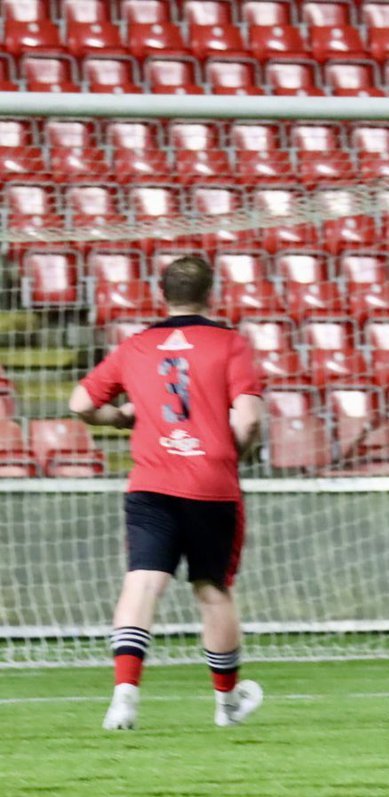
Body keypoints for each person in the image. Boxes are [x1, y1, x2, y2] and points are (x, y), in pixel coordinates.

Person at [69, 255, 265, 730]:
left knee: (142, 582)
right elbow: (250, 418)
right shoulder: (229, 344)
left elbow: (80, 403)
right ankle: (225, 707)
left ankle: (124, 698)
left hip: (151, 483)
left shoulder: (136, 346)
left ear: (163, 294)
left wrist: (119, 418)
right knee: (212, 591)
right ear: (210, 293)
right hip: (211, 484)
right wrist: (232, 450)